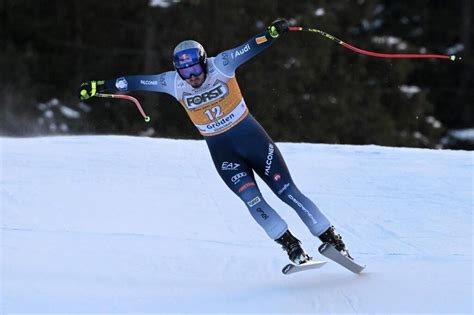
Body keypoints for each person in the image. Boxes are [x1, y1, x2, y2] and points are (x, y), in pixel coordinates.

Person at [79, 19, 351, 265]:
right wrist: (100, 85)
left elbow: (250, 47)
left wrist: (271, 33)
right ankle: (292, 247)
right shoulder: (173, 82)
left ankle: (332, 239)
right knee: (253, 200)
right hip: (223, 152)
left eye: (196, 69)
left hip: (251, 138)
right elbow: (135, 82)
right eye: (185, 72)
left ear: (204, 61)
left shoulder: (222, 64)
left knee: (286, 190)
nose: (193, 77)